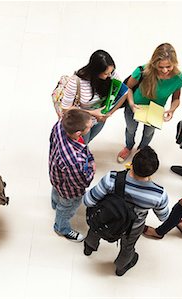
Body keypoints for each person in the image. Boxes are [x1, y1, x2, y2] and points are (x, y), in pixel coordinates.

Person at [83, 146, 169, 276]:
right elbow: (163, 217)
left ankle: (89, 247)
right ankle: (121, 268)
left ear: (132, 164)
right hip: (132, 227)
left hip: (106, 217)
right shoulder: (158, 194)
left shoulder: (112, 178)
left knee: (95, 230)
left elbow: (88, 201)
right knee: (128, 247)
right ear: (152, 172)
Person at [117, 43, 182, 163]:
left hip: (155, 111)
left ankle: (142, 150)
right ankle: (129, 146)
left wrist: (172, 110)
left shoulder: (178, 78)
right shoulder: (142, 71)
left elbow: (176, 98)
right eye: (160, 67)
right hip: (135, 107)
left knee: (149, 132)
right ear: (154, 63)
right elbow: (127, 88)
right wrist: (132, 104)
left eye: (168, 66)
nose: (165, 70)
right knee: (131, 129)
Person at [49, 109, 96, 241]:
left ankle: (55, 204)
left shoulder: (60, 125)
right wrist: (92, 169)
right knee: (67, 206)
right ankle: (61, 228)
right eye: (89, 126)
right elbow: (82, 182)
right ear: (78, 133)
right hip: (69, 190)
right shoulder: (74, 161)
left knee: (56, 189)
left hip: (55, 172)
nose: (92, 123)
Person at [61, 49, 126, 144]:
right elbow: (66, 109)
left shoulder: (111, 74)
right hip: (82, 122)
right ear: (96, 71)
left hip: (100, 120)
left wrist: (109, 114)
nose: (109, 76)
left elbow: (124, 93)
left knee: (89, 140)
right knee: (83, 143)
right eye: (106, 73)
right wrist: (93, 113)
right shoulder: (76, 82)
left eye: (110, 73)